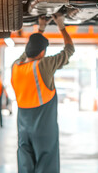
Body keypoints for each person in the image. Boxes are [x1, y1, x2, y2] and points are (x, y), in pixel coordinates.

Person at [11, 13, 74, 173]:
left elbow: (29, 52)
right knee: (47, 165)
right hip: (44, 129)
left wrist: (41, 29)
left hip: (23, 129)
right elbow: (69, 49)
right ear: (42, 52)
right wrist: (61, 26)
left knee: (25, 165)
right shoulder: (44, 65)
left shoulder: (16, 67)